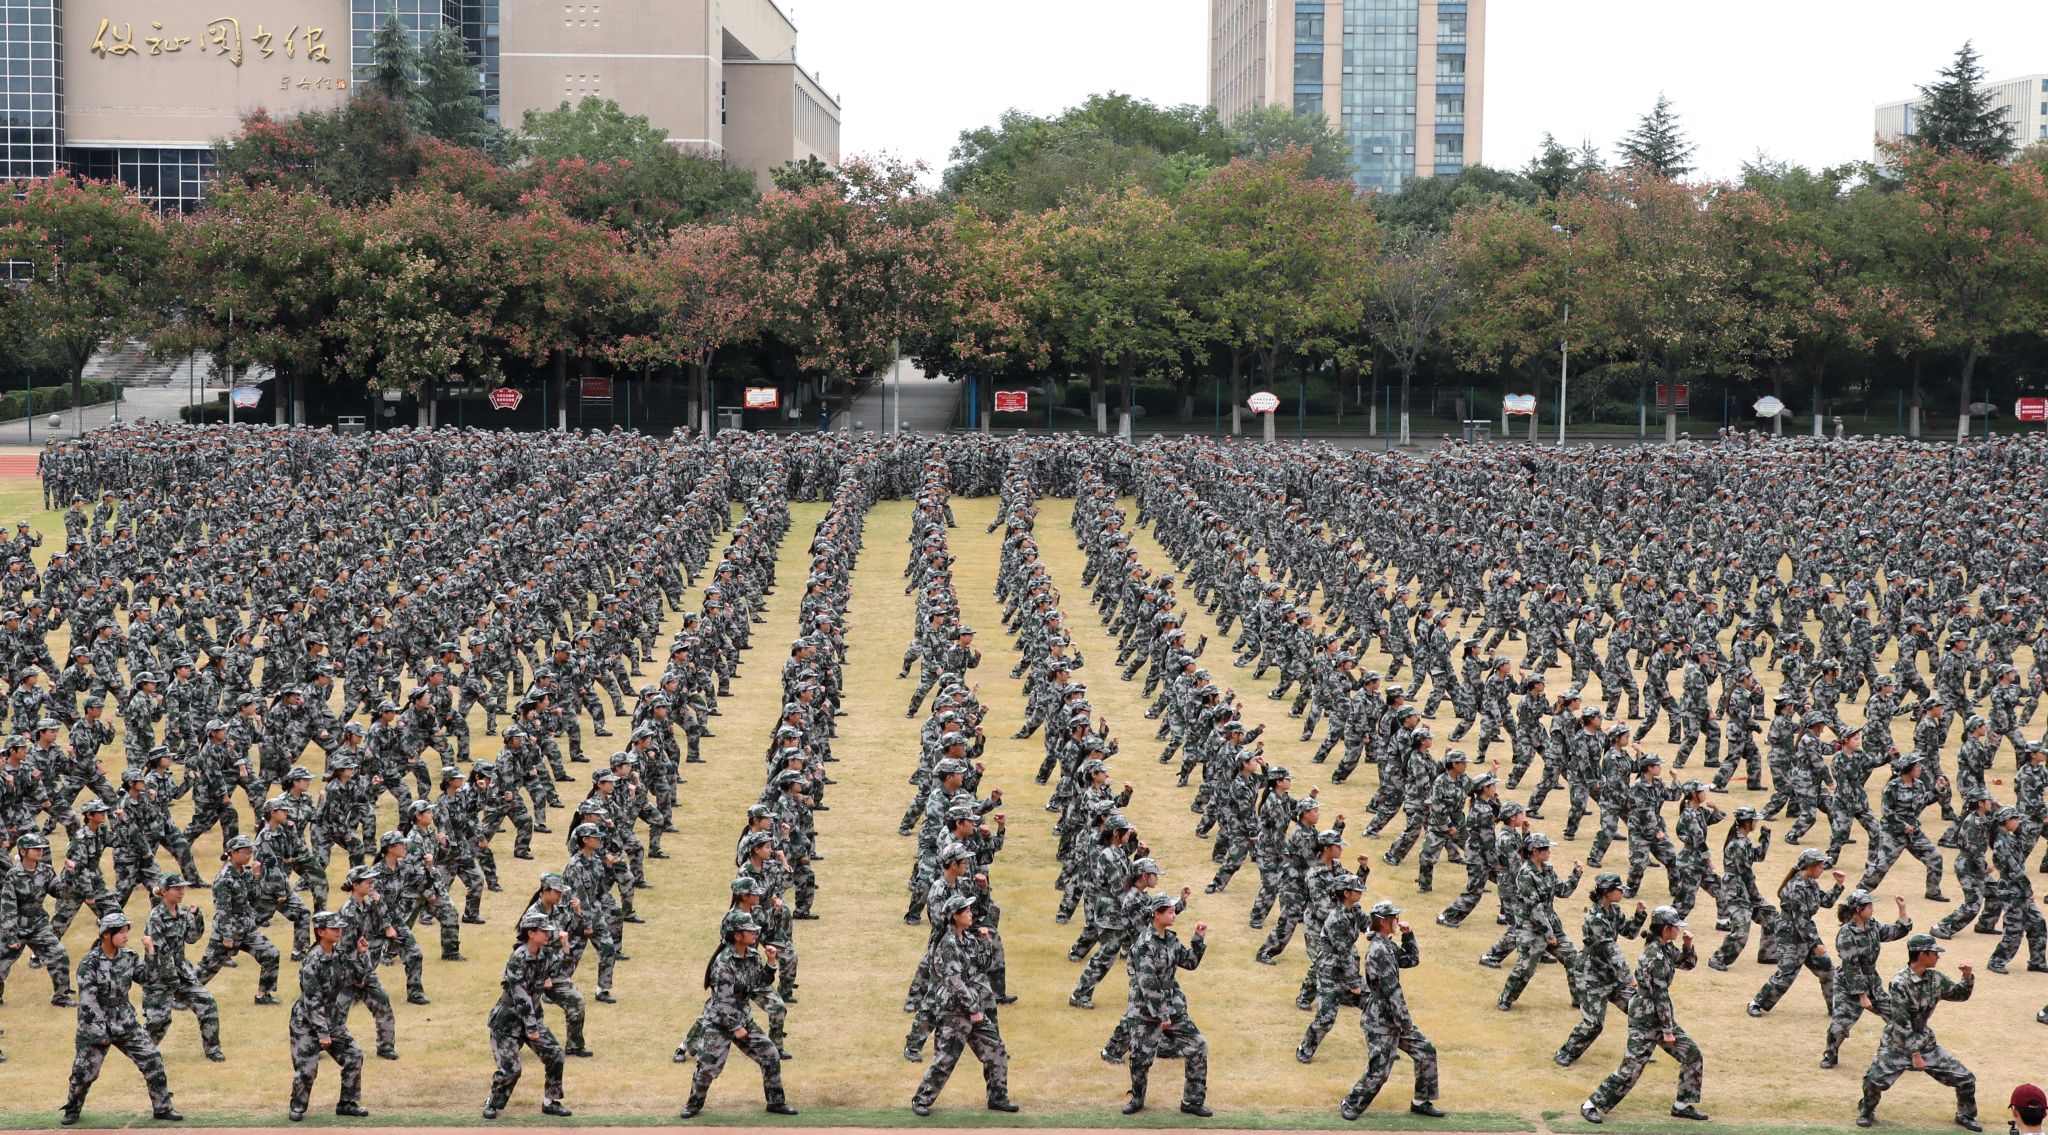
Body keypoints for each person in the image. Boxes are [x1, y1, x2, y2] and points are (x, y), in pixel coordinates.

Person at [1580, 905, 1707, 1125]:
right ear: (1666, 929)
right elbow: (1660, 995)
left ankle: (1682, 1105)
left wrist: (1688, 946)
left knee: (1692, 1054)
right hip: (1645, 1017)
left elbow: (1687, 964)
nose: (1678, 930)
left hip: (1658, 1014)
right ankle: (1591, 1104)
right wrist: (1667, 1031)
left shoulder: (1665, 947)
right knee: (1631, 1069)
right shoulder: (1654, 956)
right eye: (1676, 926)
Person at [61, 912, 181, 1126]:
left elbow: (148, 979)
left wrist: (151, 953)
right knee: (84, 1073)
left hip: (125, 1021)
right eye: (121, 932)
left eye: (127, 931)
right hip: (94, 1023)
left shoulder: (129, 957)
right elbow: (88, 1001)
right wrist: (100, 1032)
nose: (126, 936)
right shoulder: (90, 963)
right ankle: (72, 1109)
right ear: (106, 935)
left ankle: (162, 1108)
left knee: (152, 1058)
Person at [1857, 934, 1978, 1131]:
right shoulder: (1900, 982)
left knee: (1966, 1079)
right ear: (1922, 954)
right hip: (1897, 1044)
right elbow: (1901, 1022)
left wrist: (1967, 976)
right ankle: (1866, 1110)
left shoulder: (1935, 978)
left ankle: (1965, 1115)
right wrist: (1915, 1055)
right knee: (1873, 1082)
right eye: (1934, 953)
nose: (1938, 957)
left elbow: (1959, 995)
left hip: (1924, 1042)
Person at [681, 910, 795, 1119]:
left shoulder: (751, 955)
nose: (754, 933)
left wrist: (771, 963)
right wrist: (735, 1027)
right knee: (707, 1067)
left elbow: (760, 983)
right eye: (749, 931)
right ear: (737, 935)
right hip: (719, 1022)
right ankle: (693, 1105)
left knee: (770, 1055)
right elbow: (722, 1002)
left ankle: (775, 1102)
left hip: (742, 1018)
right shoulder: (724, 963)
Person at [911, 894, 1016, 1117]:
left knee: (996, 1051)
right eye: (966, 910)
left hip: (972, 1008)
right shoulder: (947, 945)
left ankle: (997, 1098)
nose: (970, 913)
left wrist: (986, 942)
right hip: (954, 1011)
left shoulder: (968, 938)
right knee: (945, 1060)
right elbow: (955, 983)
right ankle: (921, 1099)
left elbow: (982, 967)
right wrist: (974, 1010)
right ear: (955, 917)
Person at [1339, 899, 1442, 1122]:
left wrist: (1408, 935)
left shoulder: (1386, 945)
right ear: (1384, 921)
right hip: (1381, 1019)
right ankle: (1351, 1103)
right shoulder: (1379, 950)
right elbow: (1392, 991)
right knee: (1379, 1071)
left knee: (1426, 1051)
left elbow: (1411, 960)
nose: (1397, 920)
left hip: (1393, 1016)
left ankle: (1421, 1102)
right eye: (1394, 917)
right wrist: (1405, 1022)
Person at [1121, 892, 1210, 1117]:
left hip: (1172, 1006)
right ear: (1157, 914)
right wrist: (1162, 1016)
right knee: (1141, 1059)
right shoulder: (1144, 944)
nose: (1174, 914)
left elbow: (1189, 962)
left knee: (1198, 1046)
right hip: (1145, 1010)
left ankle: (1192, 1101)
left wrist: (1198, 939)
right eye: (1170, 911)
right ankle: (1137, 1099)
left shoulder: (1170, 939)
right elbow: (1148, 984)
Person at [483, 913, 573, 1120]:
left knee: (555, 1054)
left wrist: (566, 946)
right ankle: (492, 1103)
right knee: (512, 1070)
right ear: (531, 933)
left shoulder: (546, 954)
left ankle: (551, 1102)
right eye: (544, 931)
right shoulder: (518, 959)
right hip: (507, 1022)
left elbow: (564, 973)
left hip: (532, 1018)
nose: (548, 934)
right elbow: (520, 995)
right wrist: (531, 1028)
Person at [288, 911, 370, 1122]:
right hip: (306, 1021)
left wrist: (361, 954)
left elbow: (357, 979)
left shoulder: (339, 953)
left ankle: (347, 1104)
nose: (338, 931)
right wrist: (322, 1033)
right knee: (307, 1069)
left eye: (339, 928)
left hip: (331, 1017)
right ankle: (297, 1106)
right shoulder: (311, 962)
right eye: (334, 928)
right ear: (320, 932)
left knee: (354, 1055)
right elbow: (312, 1000)